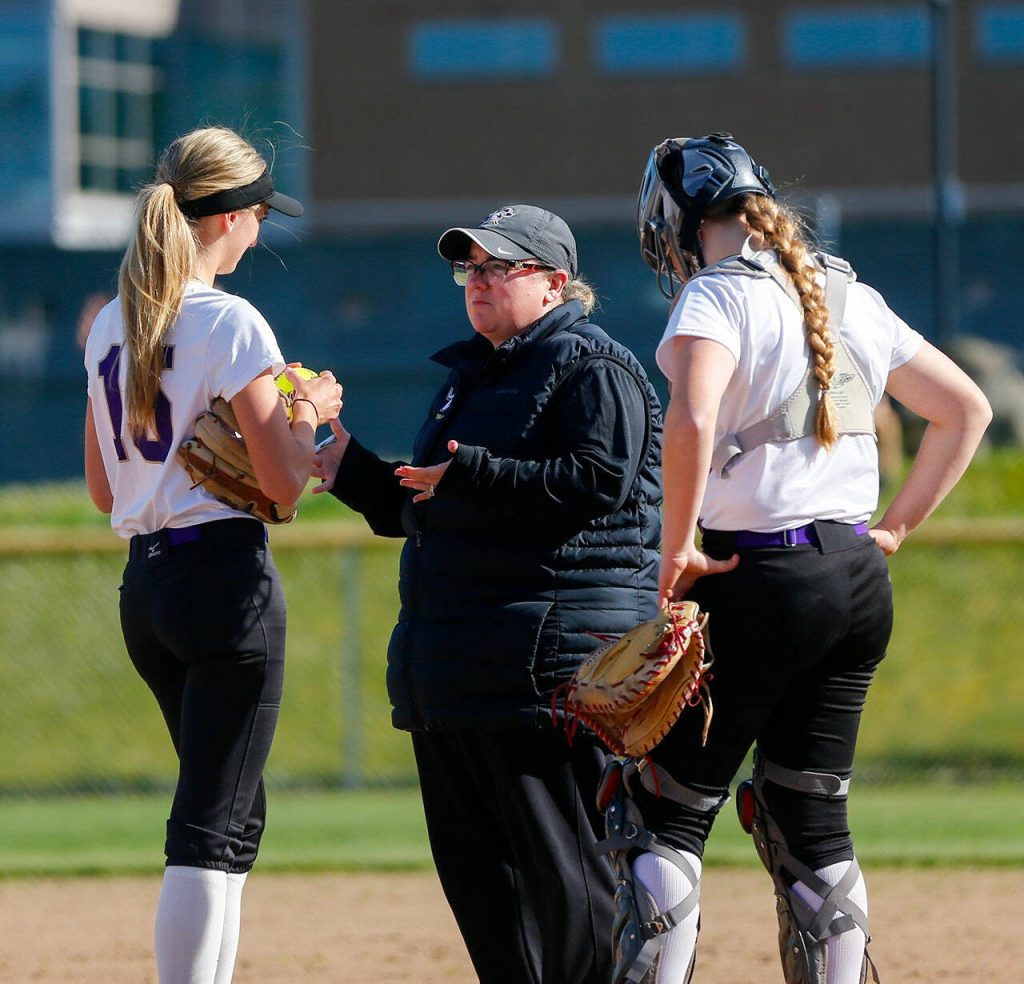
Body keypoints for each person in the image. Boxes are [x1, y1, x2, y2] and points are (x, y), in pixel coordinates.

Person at [624, 132, 992, 983]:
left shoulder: (717, 295)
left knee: (663, 815)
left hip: (756, 577)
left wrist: (677, 544)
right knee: (806, 812)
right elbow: (965, 410)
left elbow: (692, 420)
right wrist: (894, 529)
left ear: (676, 221)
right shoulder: (843, 290)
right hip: (856, 581)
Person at [311, 204, 663, 983]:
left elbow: (600, 483)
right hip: (461, 672)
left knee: (568, 883)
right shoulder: (472, 375)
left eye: (500, 267)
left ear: (557, 282)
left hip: (547, 673)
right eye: (470, 268)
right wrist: (349, 468)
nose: (478, 282)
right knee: (485, 891)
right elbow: (430, 505)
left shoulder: (592, 367)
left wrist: (471, 473)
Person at [83, 126, 342, 984]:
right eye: (261, 214)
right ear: (231, 215)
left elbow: (101, 488)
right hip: (223, 580)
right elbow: (281, 489)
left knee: (233, 812)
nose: (262, 231)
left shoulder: (112, 323)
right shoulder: (230, 321)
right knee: (209, 821)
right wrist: (310, 413)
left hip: (147, 589)